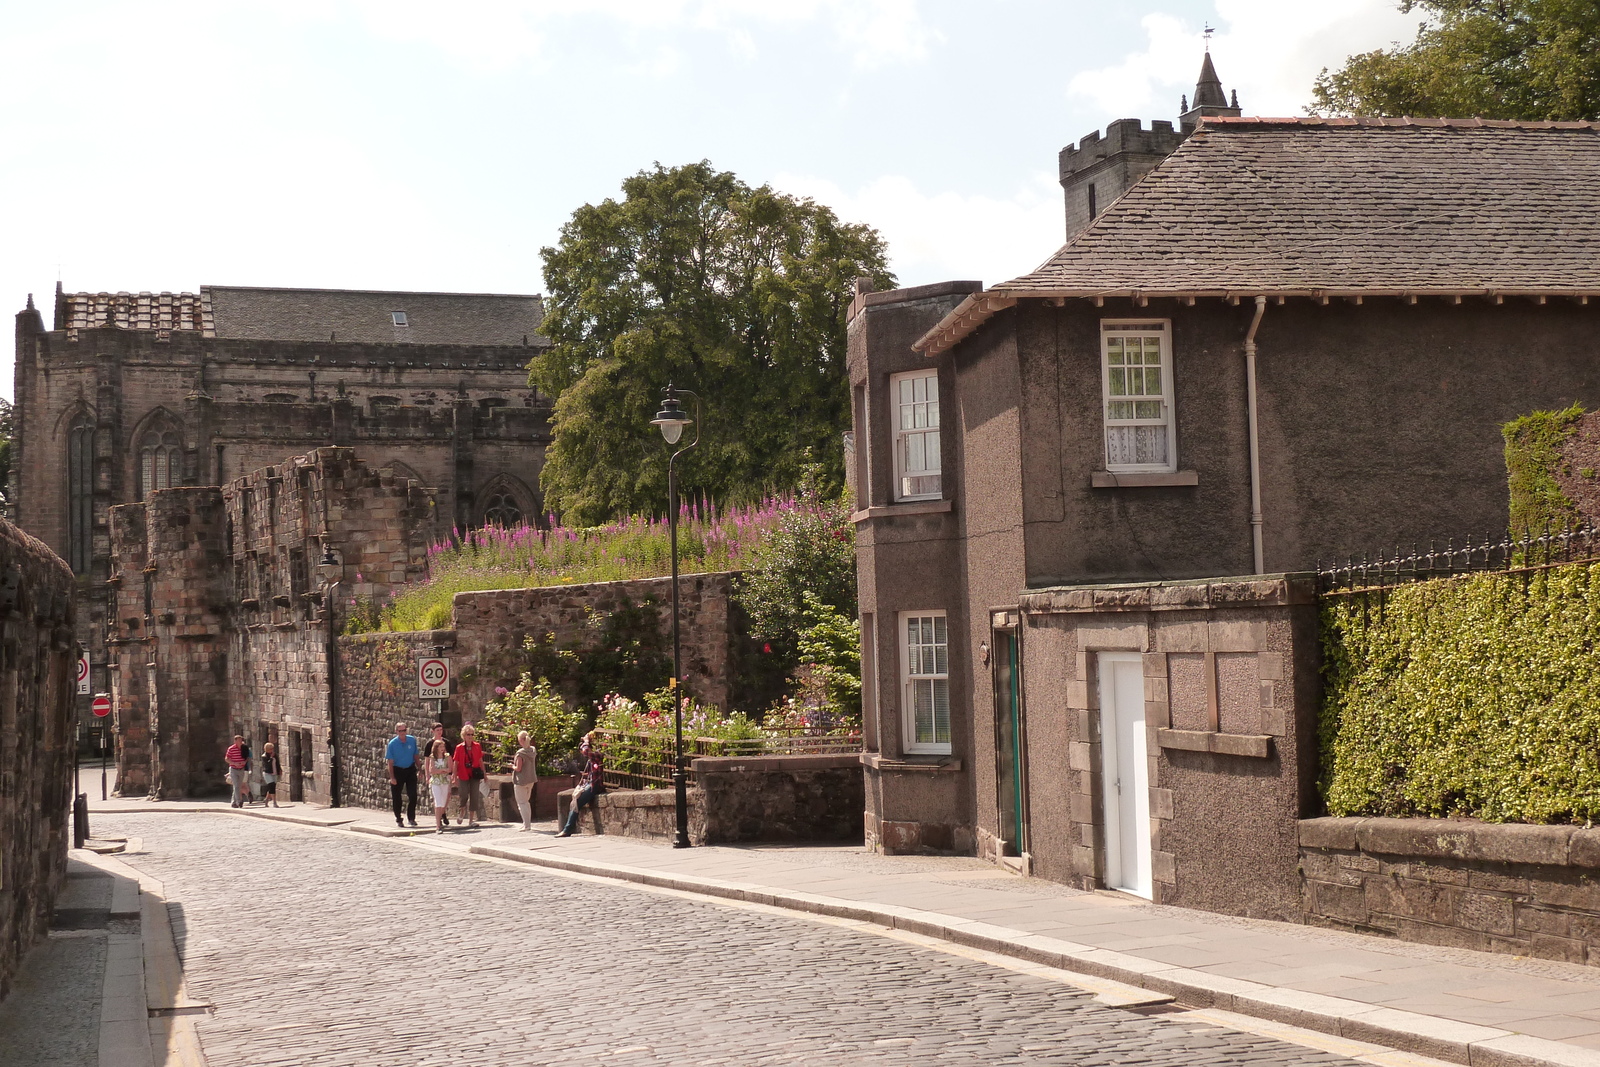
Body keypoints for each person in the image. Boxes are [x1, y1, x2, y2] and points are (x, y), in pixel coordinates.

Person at [555, 734, 605, 838]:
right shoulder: (592, 758)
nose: (582, 753)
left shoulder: (597, 754)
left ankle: (567, 830)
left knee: (576, 802)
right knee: (575, 800)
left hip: (595, 786)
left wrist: (586, 740)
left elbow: (586, 751)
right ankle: (567, 829)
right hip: (590, 784)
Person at [385, 722, 420, 828]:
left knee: (413, 795)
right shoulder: (392, 744)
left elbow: (416, 756)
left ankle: (411, 818)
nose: (403, 733)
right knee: (397, 797)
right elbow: (390, 762)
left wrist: (420, 769)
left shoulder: (412, 740)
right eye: (400, 731)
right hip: (397, 770)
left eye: (404, 730)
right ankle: (399, 818)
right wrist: (392, 777)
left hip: (410, 769)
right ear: (396, 732)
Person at [451, 724, 485, 828]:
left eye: (471, 734)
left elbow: (480, 760)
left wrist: (484, 773)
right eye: (468, 734)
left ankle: (471, 820)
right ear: (464, 735)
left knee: (474, 796)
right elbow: (455, 762)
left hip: (474, 774)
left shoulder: (477, 746)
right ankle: (462, 811)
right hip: (463, 774)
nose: (470, 736)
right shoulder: (459, 748)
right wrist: (454, 775)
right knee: (463, 795)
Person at [425, 722, 455, 826]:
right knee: (437, 799)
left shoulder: (446, 742)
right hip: (435, 778)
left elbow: (451, 761)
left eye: (441, 730)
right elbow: (427, 761)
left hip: (446, 777)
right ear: (433, 731)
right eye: (437, 730)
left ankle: (442, 813)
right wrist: (427, 775)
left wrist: (452, 773)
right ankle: (439, 821)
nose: (440, 732)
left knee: (447, 796)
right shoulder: (430, 744)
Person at [511, 730, 538, 832]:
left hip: (521, 781)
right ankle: (527, 824)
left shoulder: (520, 753)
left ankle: (526, 825)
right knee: (526, 802)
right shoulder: (532, 750)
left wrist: (512, 766)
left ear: (521, 740)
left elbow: (518, 768)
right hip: (530, 779)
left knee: (521, 803)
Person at [224, 735, 249, 808]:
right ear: (235, 741)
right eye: (238, 740)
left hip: (241, 769)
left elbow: (247, 757)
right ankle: (239, 801)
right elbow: (226, 759)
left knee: (238, 786)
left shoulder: (244, 748)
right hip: (233, 769)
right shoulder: (231, 749)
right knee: (236, 785)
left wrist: (244, 762)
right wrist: (234, 763)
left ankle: (233, 802)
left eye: (241, 740)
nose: (240, 742)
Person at [260, 741, 283, 808]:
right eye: (270, 749)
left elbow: (277, 763)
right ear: (267, 749)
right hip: (268, 773)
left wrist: (280, 770)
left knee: (272, 787)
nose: (272, 750)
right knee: (272, 786)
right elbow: (267, 765)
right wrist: (270, 758)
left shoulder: (275, 755)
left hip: (274, 772)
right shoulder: (264, 756)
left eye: (272, 749)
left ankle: (266, 800)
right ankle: (274, 802)